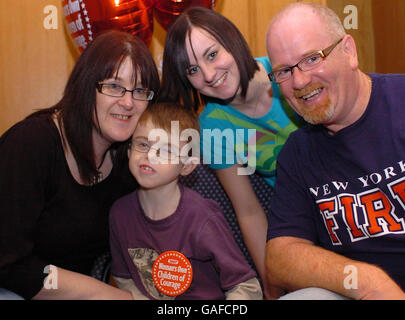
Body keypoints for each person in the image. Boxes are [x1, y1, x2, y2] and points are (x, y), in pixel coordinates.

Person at [0, 30, 160, 299]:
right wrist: (104, 295)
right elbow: (8, 263)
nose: (129, 102)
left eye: (141, 90)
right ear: (86, 86)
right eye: (114, 86)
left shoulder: (127, 160)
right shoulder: (31, 144)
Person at [265, 2, 405, 300]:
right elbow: (279, 257)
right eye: (284, 71)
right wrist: (366, 281)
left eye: (312, 58)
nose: (300, 81)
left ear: (349, 51)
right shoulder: (297, 153)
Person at [159, 6, 301, 298]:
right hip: (298, 224)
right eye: (193, 70)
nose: (209, 75)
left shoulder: (287, 73)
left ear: (232, 40)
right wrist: (271, 287)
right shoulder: (212, 126)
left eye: (212, 55)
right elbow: (248, 212)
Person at [109, 102, 263, 300]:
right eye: (143, 144)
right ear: (130, 151)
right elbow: (123, 278)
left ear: (187, 167)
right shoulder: (120, 214)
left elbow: (246, 286)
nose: (150, 156)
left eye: (166, 151)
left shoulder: (203, 218)